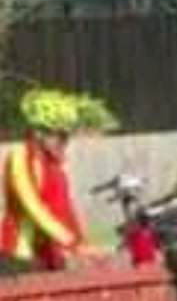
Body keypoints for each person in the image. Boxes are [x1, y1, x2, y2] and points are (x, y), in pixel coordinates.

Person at [0, 89, 113, 271]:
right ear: (38, 133)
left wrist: (82, 244)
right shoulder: (19, 157)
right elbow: (34, 208)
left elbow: (65, 210)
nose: (64, 142)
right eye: (58, 135)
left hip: (50, 256)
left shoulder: (55, 168)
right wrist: (74, 243)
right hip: (17, 257)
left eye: (66, 136)